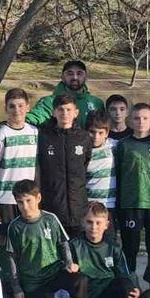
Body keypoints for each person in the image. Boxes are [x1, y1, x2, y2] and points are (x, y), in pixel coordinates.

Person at [4, 180, 84, 298]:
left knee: (80, 280)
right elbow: (12, 259)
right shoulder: (15, 227)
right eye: (20, 202)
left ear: (38, 198)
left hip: (54, 273)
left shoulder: (51, 219)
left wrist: (69, 263)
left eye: (29, 200)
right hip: (33, 282)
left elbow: (63, 243)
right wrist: (17, 288)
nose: (25, 207)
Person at [70, 203, 140, 298]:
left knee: (126, 285)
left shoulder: (113, 246)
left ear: (106, 225)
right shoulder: (74, 245)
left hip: (107, 290)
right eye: (89, 222)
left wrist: (135, 290)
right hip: (85, 296)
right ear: (83, 222)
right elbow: (69, 282)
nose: (94, 227)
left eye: (98, 223)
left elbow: (125, 273)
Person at [113, 102, 150, 272]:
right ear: (131, 120)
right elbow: (118, 175)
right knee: (130, 247)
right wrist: (117, 205)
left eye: (145, 118)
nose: (141, 122)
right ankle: (130, 280)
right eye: (137, 118)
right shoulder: (122, 145)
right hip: (130, 203)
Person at [35, 93, 92, 236]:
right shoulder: (43, 137)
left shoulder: (84, 137)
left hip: (78, 206)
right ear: (54, 112)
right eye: (60, 109)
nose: (64, 113)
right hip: (53, 205)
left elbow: (85, 164)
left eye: (68, 109)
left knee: (77, 246)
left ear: (76, 112)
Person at [0, 88, 39, 229]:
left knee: (28, 233)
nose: (16, 110)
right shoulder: (1, 134)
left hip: (28, 197)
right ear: (6, 108)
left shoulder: (34, 132)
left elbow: (37, 166)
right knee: (7, 235)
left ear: (27, 107)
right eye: (12, 106)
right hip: (5, 197)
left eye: (20, 106)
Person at [25, 60, 104, 128]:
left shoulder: (97, 103)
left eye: (79, 73)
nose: (75, 77)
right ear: (62, 77)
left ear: (86, 77)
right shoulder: (49, 102)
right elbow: (33, 118)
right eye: (70, 73)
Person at [84, 111, 116, 211]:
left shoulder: (114, 146)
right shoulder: (81, 151)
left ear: (107, 133)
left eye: (100, 133)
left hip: (109, 203)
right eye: (92, 132)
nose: (96, 136)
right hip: (88, 203)